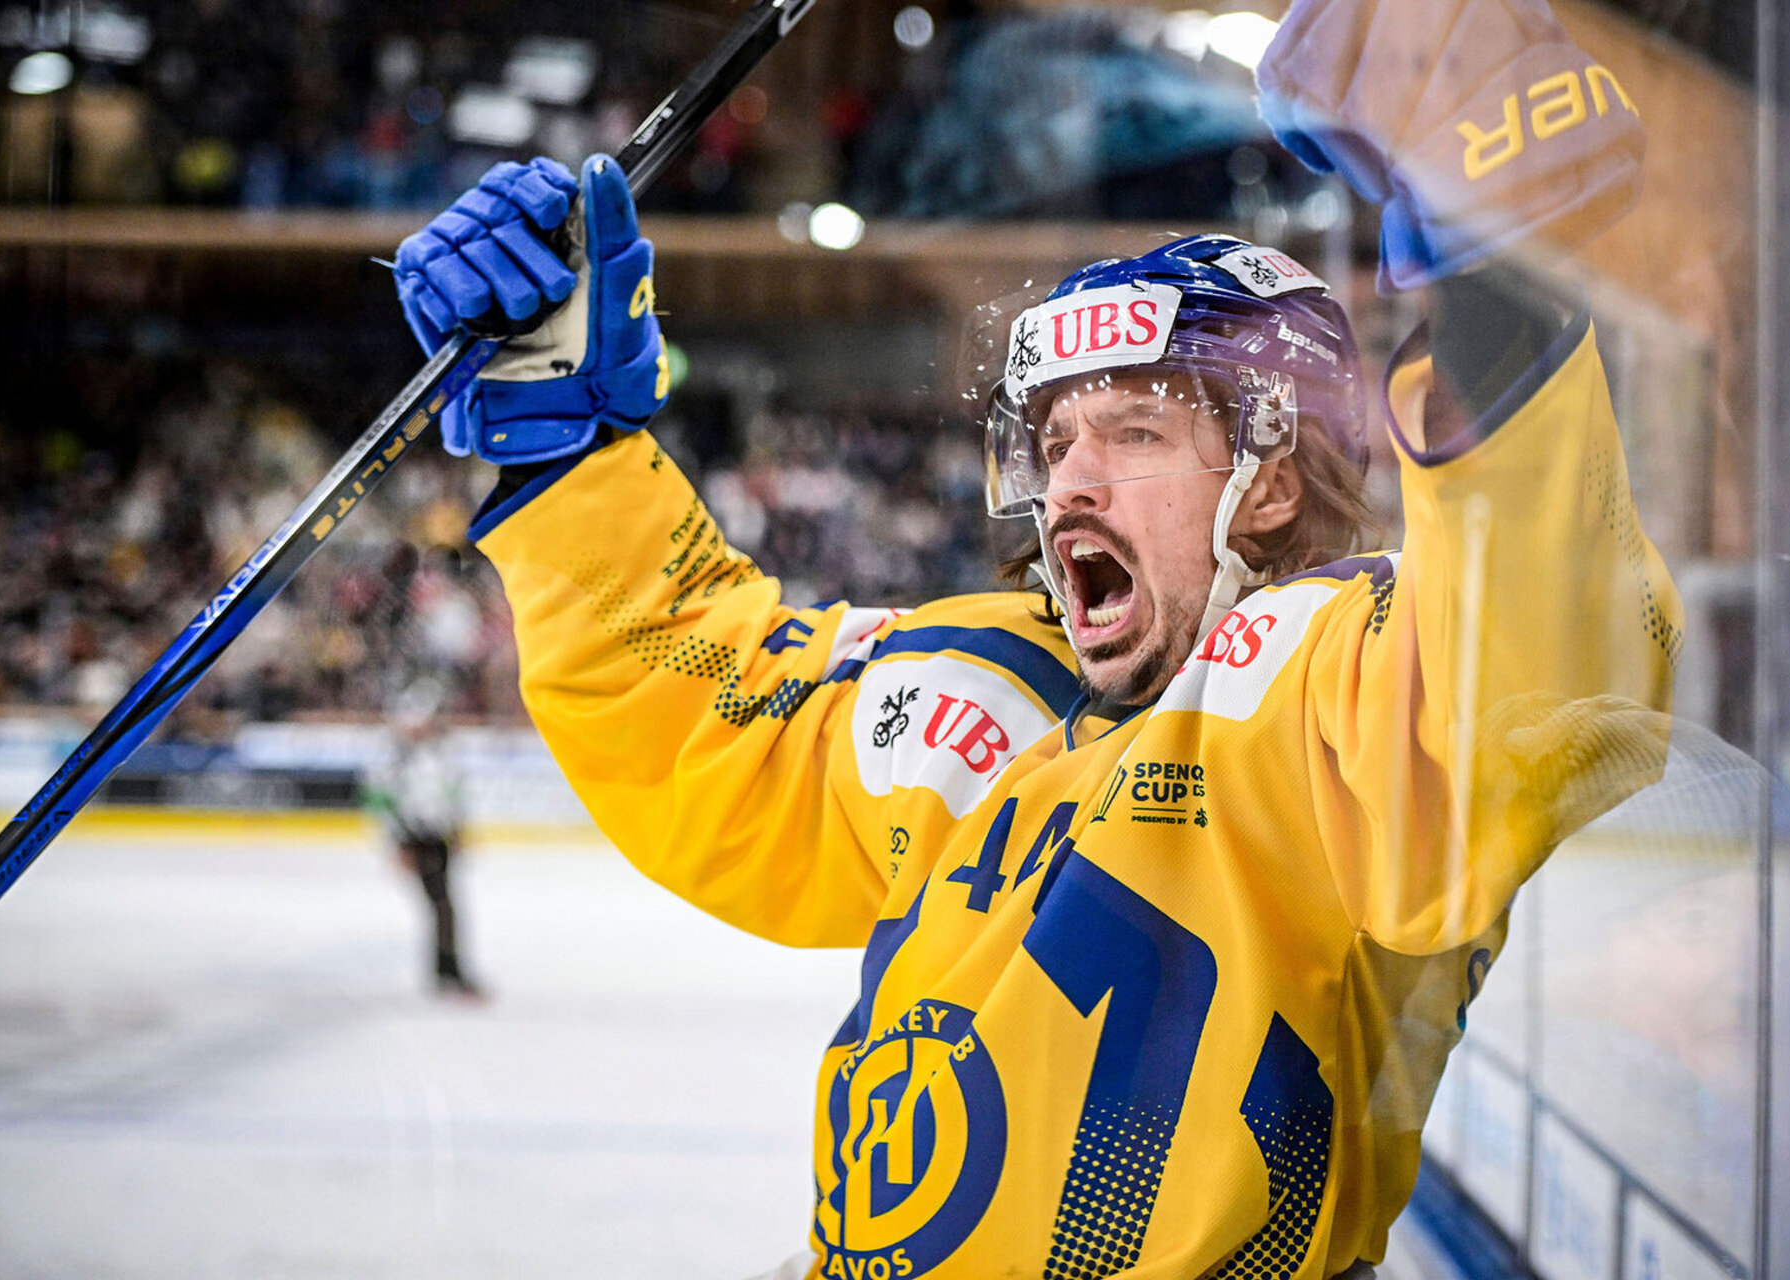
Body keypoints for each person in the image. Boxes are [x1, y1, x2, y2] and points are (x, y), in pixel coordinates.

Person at [391, 1, 1679, 1274]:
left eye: (1133, 433)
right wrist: (569, 458)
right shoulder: (986, 674)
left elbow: (1523, 680)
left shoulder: (1335, 679)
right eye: (1055, 440)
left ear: (1274, 477)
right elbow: (717, 706)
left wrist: (1500, 294)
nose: (1070, 484)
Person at [362, 678, 483, 998]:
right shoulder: (395, 758)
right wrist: (399, 844)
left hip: (438, 837)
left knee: (444, 907)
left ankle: (447, 971)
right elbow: (382, 804)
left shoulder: (440, 752)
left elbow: (451, 796)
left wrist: (456, 830)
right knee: (442, 906)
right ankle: (448, 972)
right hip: (415, 838)